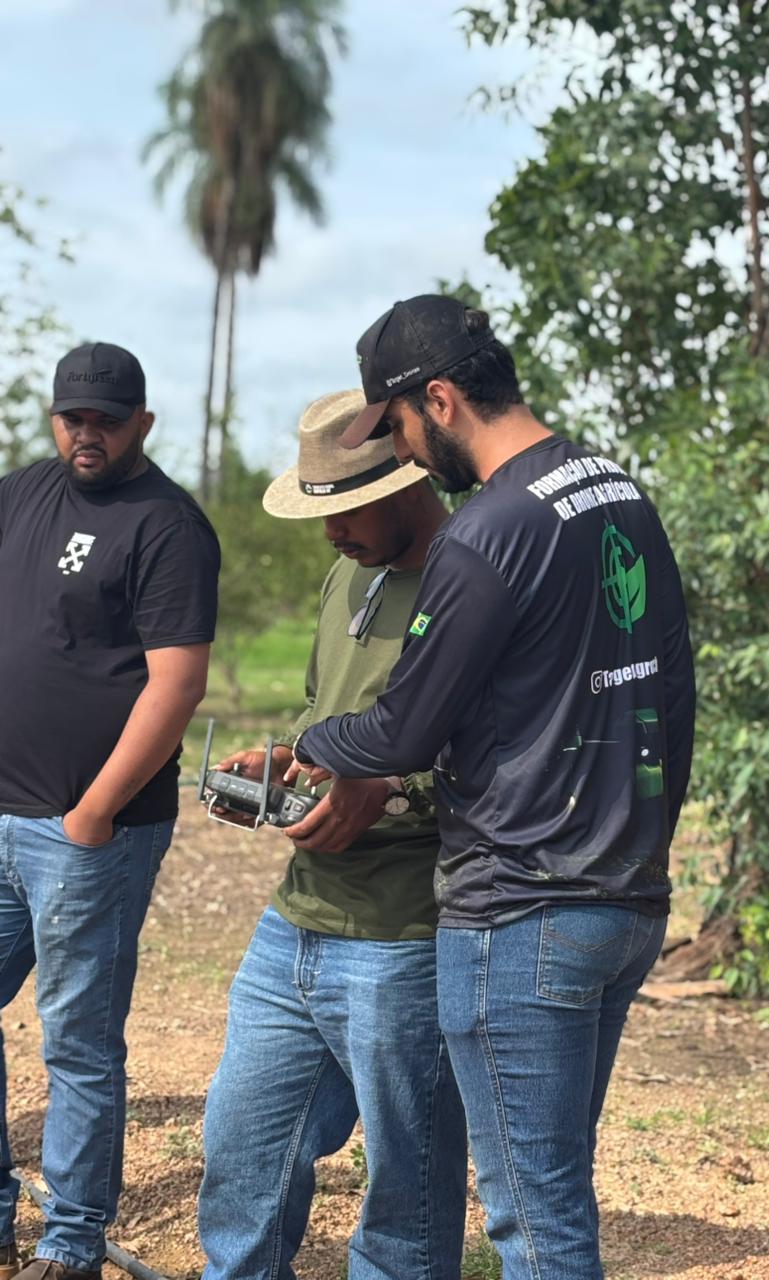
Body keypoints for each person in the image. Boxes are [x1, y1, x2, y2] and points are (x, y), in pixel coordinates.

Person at [290, 297, 697, 1279]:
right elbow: (668, 683)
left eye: (397, 428)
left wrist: (311, 735)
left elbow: (403, 729)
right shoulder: (611, 489)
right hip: (624, 895)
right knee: (557, 1184)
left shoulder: (490, 529)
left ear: (439, 397)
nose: (405, 453)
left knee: (535, 1221)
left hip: (524, 910)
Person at [197, 389, 466, 1280]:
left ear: (410, 478)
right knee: (240, 1146)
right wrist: (285, 760)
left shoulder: (478, 577)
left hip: (405, 934)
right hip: (297, 920)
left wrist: (387, 789)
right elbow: (328, 715)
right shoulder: (347, 570)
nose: (331, 532)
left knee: (405, 1188)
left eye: (347, 509)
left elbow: (504, 753)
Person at [0, 343, 220, 1280]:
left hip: (90, 830)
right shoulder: (18, 496)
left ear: (142, 423)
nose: (86, 433)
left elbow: (176, 685)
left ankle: (72, 1243)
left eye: (107, 418)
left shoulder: (167, 525)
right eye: (72, 417)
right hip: (1, 811)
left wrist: (91, 813)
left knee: (78, 1043)